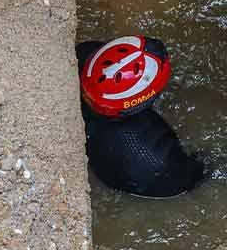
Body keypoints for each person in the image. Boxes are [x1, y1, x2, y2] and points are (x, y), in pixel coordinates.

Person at [77, 35, 204, 198]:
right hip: (147, 179)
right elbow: (193, 179)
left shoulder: (84, 55)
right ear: (142, 103)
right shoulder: (157, 162)